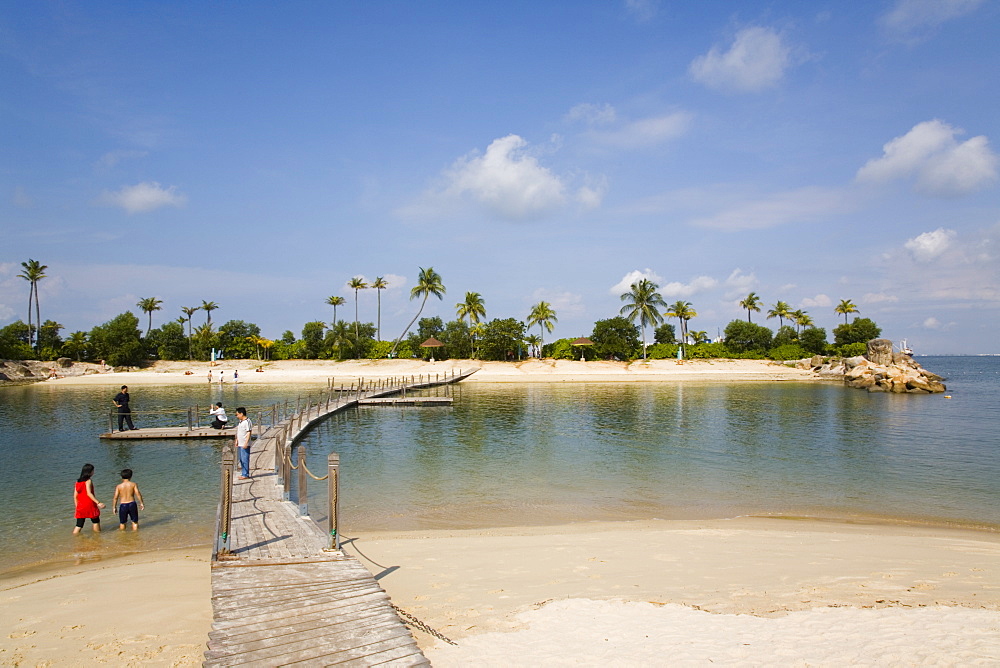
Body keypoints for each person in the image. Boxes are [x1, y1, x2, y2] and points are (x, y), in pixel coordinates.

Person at [73, 463, 105, 534]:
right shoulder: (88, 481)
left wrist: (77, 507)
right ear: (89, 472)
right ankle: (97, 536)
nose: (94, 472)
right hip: (89, 504)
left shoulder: (77, 482)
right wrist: (98, 502)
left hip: (80, 505)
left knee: (79, 524)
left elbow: (75, 496)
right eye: (93, 470)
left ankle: (75, 537)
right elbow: (89, 493)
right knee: (95, 521)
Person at [235, 407, 252, 479]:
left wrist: (246, 443)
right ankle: (243, 473)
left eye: (237, 414)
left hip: (244, 443)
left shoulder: (247, 421)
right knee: (241, 459)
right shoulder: (240, 421)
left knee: (245, 458)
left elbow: (249, 432)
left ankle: (245, 474)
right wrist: (237, 440)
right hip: (240, 443)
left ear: (241, 414)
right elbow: (239, 431)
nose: (237, 416)